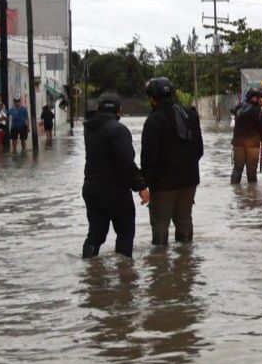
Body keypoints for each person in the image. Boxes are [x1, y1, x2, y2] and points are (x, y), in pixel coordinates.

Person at [82, 93, 149, 258]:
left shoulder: (89, 128)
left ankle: (89, 271)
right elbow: (126, 163)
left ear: (98, 108)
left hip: (91, 189)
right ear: (119, 111)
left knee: (95, 234)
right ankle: (125, 274)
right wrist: (140, 186)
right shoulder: (119, 130)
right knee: (125, 234)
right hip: (115, 191)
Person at [141, 77, 204, 246]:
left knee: (160, 225)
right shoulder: (190, 115)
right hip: (189, 181)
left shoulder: (153, 121)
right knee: (184, 221)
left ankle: (160, 266)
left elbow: (148, 158)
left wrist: (144, 184)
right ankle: (185, 264)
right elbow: (199, 150)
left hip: (163, 186)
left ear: (153, 99)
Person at [230, 87, 262, 184]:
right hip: (252, 146)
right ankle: (252, 195)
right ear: (254, 98)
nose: (261, 101)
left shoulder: (239, 108)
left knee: (237, 169)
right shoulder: (258, 111)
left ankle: (236, 194)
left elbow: (233, 111)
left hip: (238, 144)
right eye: (260, 98)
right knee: (251, 173)